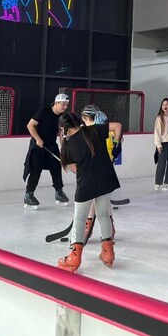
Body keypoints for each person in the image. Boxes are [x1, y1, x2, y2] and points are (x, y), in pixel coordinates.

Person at [56, 112, 122, 272]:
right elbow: (117, 126)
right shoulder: (93, 130)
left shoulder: (68, 145)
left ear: (63, 128)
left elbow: (74, 169)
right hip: (106, 180)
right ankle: (108, 253)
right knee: (104, 215)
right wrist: (116, 146)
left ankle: (74, 258)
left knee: (79, 218)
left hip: (86, 185)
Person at [80, 105, 123, 243]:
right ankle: (108, 228)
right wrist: (118, 145)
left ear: (86, 118)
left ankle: (89, 224)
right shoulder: (105, 128)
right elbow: (119, 136)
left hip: (96, 169)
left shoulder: (91, 130)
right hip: (106, 169)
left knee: (95, 199)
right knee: (101, 202)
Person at [23, 93, 70, 209]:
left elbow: (61, 133)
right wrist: (38, 139)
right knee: (35, 171)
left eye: (66, 105)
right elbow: (30, 125)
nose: (65, 107)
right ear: (56, 103)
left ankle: (59, 192)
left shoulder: (62, 117)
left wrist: (63, 148)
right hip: (38, 146)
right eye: (63, 104)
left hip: (51, 146)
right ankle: (29, 195)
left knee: (56, 168)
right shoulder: (43, 112)